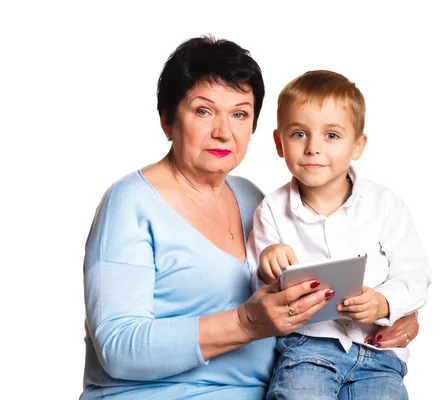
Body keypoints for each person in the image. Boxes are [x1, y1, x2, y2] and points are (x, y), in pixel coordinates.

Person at [81, 35, 421, 399]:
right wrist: (244, 324)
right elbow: (118, 348)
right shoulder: (131, 203)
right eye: (203, 111)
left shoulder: (256, 201)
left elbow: (321, 297)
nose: (223, 132)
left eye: (240, 114)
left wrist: (391, 311)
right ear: (166, 120)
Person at [246, 70, 432, 399]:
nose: (313, 147)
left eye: (331, 135)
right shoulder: (271, 212)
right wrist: (267, 265)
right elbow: (256, 294)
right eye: (299, 134)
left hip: (378, 355)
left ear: (357, 145)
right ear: (279, 143)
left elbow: (414, 273)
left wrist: (384, 302)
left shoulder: (385, 205)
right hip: (306, 351)